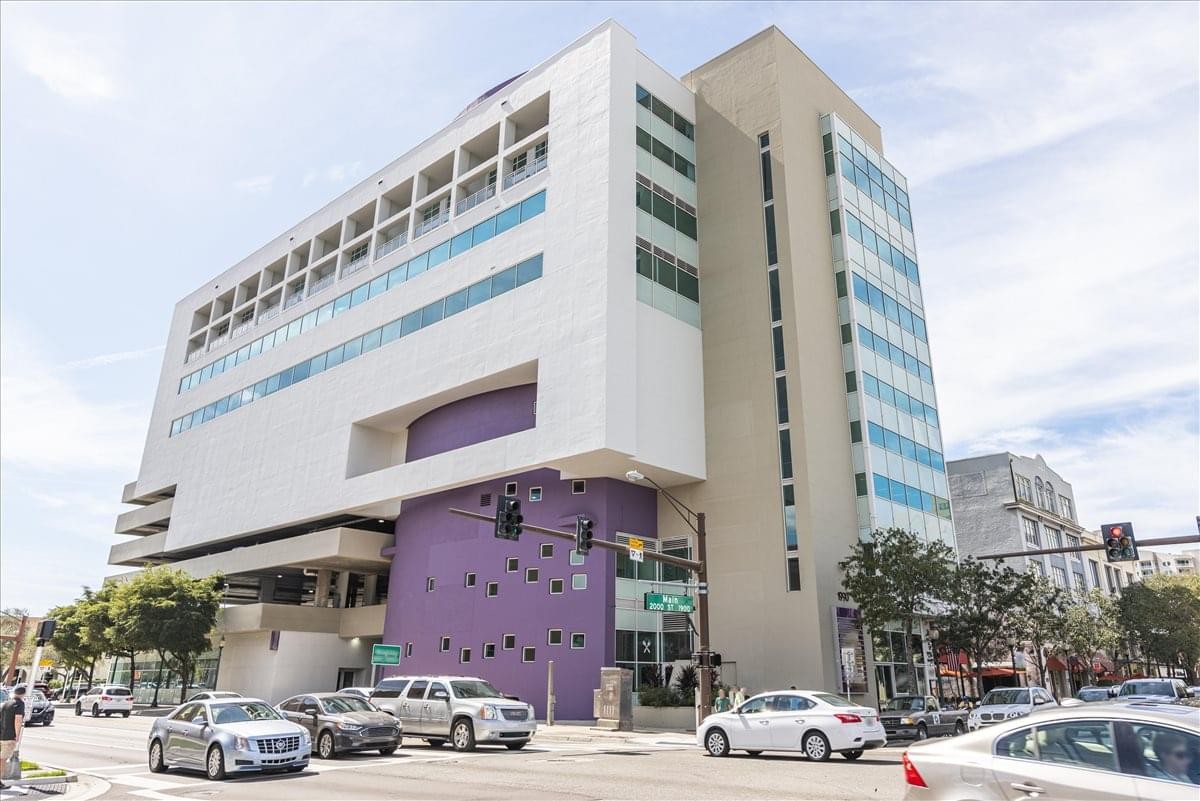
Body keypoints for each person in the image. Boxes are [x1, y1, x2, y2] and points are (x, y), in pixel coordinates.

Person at [0, 685, 26, 788]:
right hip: (9, 736)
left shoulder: (6, 703)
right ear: (23, 694)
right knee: (2, 759)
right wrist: (17, 735)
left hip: (1, 734)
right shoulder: (19, 704)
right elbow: (18, 719)